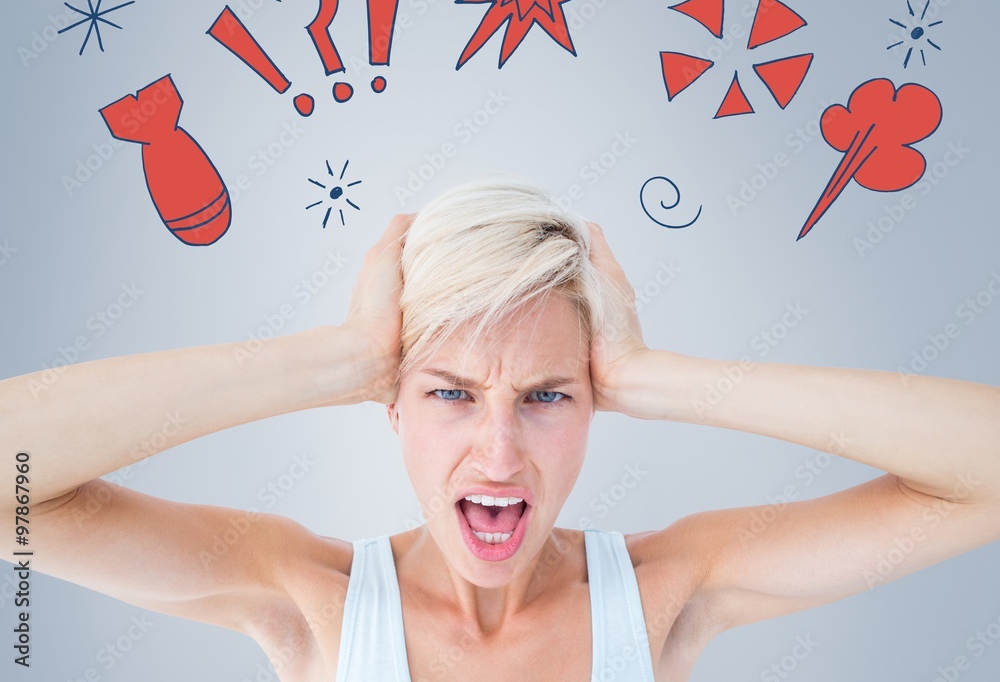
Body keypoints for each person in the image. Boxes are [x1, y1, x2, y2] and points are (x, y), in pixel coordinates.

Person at [2, 177, 999, 681]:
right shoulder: (310, 602)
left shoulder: (660, 596)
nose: (499, 451)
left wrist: (658, 377)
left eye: (545, 395)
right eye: (448, 393)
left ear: (593, 400)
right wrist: (337, 356)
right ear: (388, 400)